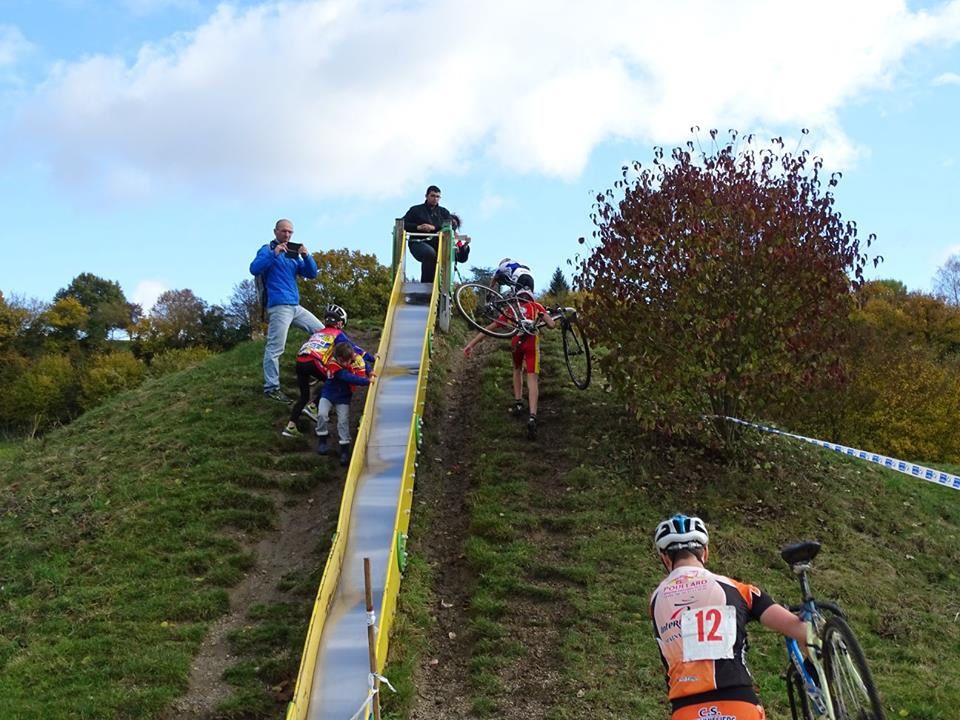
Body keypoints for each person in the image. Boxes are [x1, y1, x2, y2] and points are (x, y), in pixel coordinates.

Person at [649, 514, 809, 720]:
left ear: (665, 558)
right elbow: (799, 630)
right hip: (738, 703)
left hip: (685, 708)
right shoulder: (737, 589)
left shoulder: (655, 600)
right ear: (704, 552)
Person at [462, 288, 555, 439]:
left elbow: (489, 329)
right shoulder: (537, 306)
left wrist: (470, 345)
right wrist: (543, 317)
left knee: (517, 369)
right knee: (532, 378)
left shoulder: (512, 310)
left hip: (516, 342)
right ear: (531, 298)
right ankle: (532, 415)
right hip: (531, 342)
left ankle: (518, 402)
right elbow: (551, 325)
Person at [249, 219, 323, 402]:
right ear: (275, 232)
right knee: (275, 348)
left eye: (290, 232)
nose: (287, 235)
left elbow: (311, 273)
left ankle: (314, 370)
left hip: (294, 305)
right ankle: (271, 388)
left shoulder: (292, 254)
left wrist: (306, 256)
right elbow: (254, 269)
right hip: (279, 306)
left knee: (322, 333)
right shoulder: (267, 249)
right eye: (284, 231)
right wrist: (274, 254)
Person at [315, 342, 373, 466]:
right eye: (343, 362)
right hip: (328, 394)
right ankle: (322, 439)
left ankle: (344, 449)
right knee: (322, 414)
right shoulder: (333, 365)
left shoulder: (352, 358)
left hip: (343, 397)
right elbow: (347, 377)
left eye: (348, 361)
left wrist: (370, 371)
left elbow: (363, 363)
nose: (346, 364)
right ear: (338, 358)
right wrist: (366, 381)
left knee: (343, 421)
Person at [403, 184, 451, 282]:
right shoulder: (415, 210)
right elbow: (403, 224)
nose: (435, 199)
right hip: (417, 242)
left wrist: (434, 228)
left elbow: (450, 226)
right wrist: (418, 227)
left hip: (437, 244)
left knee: (445, 255)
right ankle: (426, 283)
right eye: (432, 196)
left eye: (437, 197)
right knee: (429, 253)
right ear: (426, 196)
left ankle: (436, 283)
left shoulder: (444, 212)